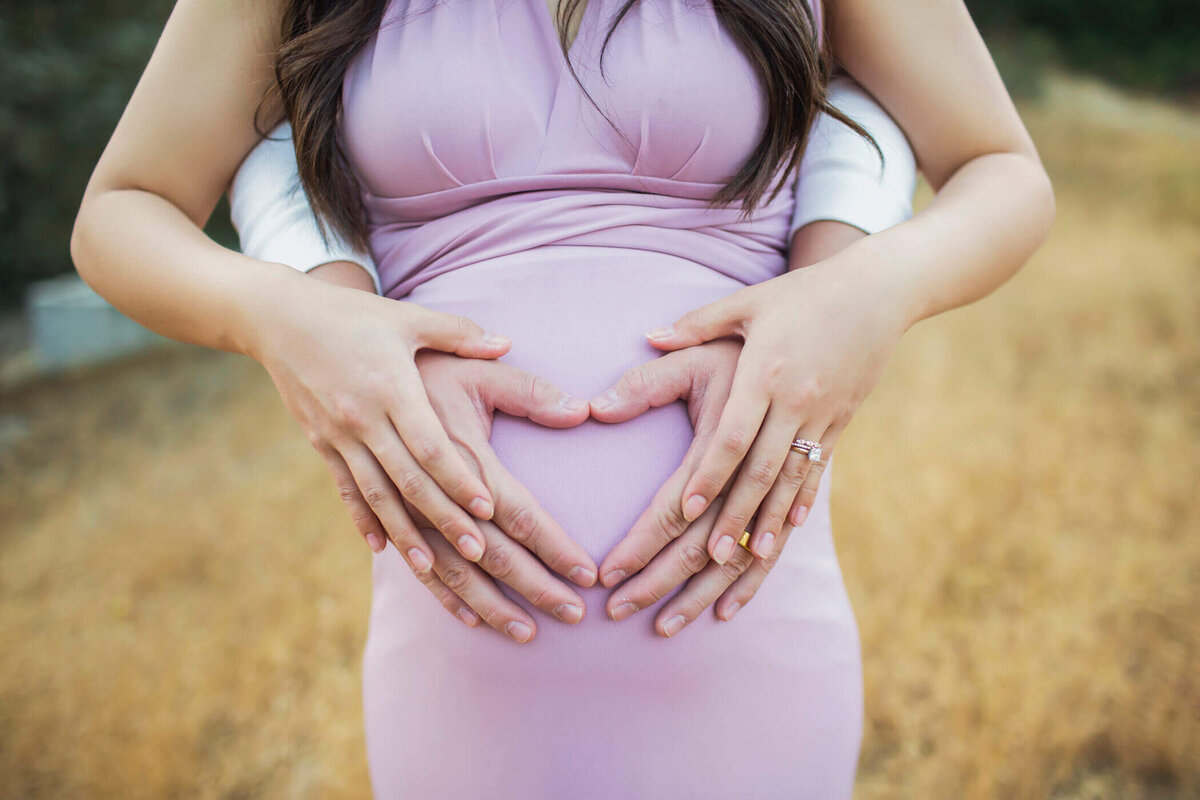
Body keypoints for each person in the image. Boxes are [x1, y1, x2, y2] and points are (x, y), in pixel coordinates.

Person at [70, 0, 1054, 796]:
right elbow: (124, 210)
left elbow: (1000, 170)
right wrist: (282, 319)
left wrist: (869, 294)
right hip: (462, 660)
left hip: (745, 629)